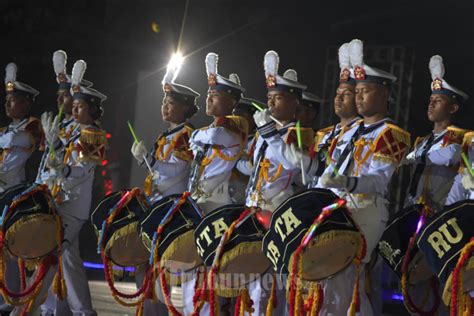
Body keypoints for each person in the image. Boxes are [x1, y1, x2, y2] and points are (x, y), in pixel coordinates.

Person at [318, 39, 410, 315]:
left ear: (384, 95)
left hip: (365, 211)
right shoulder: (348, 131)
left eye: (365, 91)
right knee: (328, 282)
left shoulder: (391, 133)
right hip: (337, 207)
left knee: (345, 278)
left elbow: (379, 180)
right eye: (356, 91)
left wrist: (347, 183)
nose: (358, 97)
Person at [18, 59, 107, 316]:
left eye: (70, 99)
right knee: (67, 257)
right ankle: (67, 308)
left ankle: (31, 307)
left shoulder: (92, 132)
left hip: (73, 203)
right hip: (54, 197)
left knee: (50, 252)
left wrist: (59, 160)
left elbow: (80, 169)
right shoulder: (65, 127)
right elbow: (48, 163)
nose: (63, 102)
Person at [0, 62, 42, 315]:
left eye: (13, 99)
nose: (7, 104)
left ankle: (11, 299)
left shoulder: (31, 127)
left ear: (26, 103)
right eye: (6, 99)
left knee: (11, 249)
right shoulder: (7, 131)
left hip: (16, 194)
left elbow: (14, 161)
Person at [131, 54, 199, 203]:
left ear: (185, 107)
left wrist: (149, 160)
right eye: (164, 102)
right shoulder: (165, 136)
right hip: (157, 197)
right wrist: (142, 159)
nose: (165, 107)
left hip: (173, 200)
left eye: (171, 103)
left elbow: (176, 170)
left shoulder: (186, 134)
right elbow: (155, 169)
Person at [405, 55, 469, 212]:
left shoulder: (461, 139)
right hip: (413, 211)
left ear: (453, 108)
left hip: (441, 214)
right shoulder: (422, 142)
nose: (431, 104)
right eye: (431, 99)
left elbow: (452, 156)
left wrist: (414, 157)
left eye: (438, 100)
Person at [187, 52, 248, 214]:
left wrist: (196, 136)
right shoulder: (209, 131)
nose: (209, 99)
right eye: (208, 95)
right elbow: (194, 142)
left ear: (231, 103)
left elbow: (212, 136)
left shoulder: (233, 130)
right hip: (198, 198)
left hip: (216, 204)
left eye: (215, 95)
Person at [309, 42, 361, 188]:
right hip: (315, 201)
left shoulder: (362, 134)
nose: (339, 98)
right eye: (337, 94)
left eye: (346, 94)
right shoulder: (325, 134)